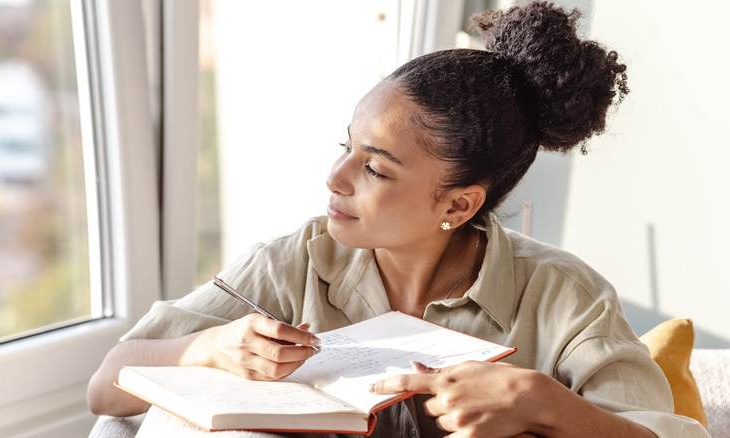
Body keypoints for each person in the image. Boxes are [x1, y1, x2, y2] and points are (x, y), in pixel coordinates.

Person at [87, 2, 709, 437]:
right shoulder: (294, 262)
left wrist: (539, 402)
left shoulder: (565, 295)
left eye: (376, 170)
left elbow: (663, 433)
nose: (336, 179)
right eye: (346, 146)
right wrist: (211, 346)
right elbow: (107, 387)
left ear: (458, 204)